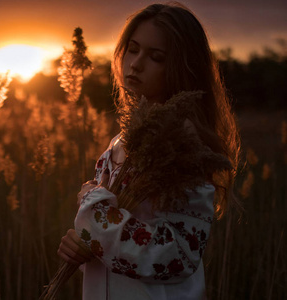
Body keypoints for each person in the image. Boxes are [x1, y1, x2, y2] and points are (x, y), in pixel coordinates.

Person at [57, 2, 240, 299]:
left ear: (183, 67)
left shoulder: (185, 146)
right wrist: (86, 244)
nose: (136, 63)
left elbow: (179, 255)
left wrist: (93, 215)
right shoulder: (121, 140)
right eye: (133, 49)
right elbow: (113, 237)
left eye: (156, 57)